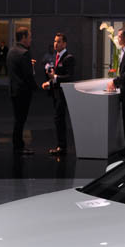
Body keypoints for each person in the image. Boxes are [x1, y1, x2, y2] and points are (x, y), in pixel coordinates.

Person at [42, 32, 76, 155]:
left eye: (59, 41)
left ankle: (62, 147)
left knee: (59, 119)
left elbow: (69, 77)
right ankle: (60, 145)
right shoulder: (55, 57)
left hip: (63, 93)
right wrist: (49, 82)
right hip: (55, 93)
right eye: (55, 41)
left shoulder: (69, 58)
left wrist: (55, 77)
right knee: (57, 119)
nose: (56, 44)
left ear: (65, 44)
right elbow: (55, 76)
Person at [7, 27, 39, 155]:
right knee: (21, 120)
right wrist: (37, 88)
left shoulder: (11, 51)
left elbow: (16, 69)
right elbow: (28, 75)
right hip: (23, 92)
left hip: (13, 90)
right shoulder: (25, 53)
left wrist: (28, 64)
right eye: (29, 37)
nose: (31, 40)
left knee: (17, 119)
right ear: (24, 37)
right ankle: (19, 146)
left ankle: (18, 145)